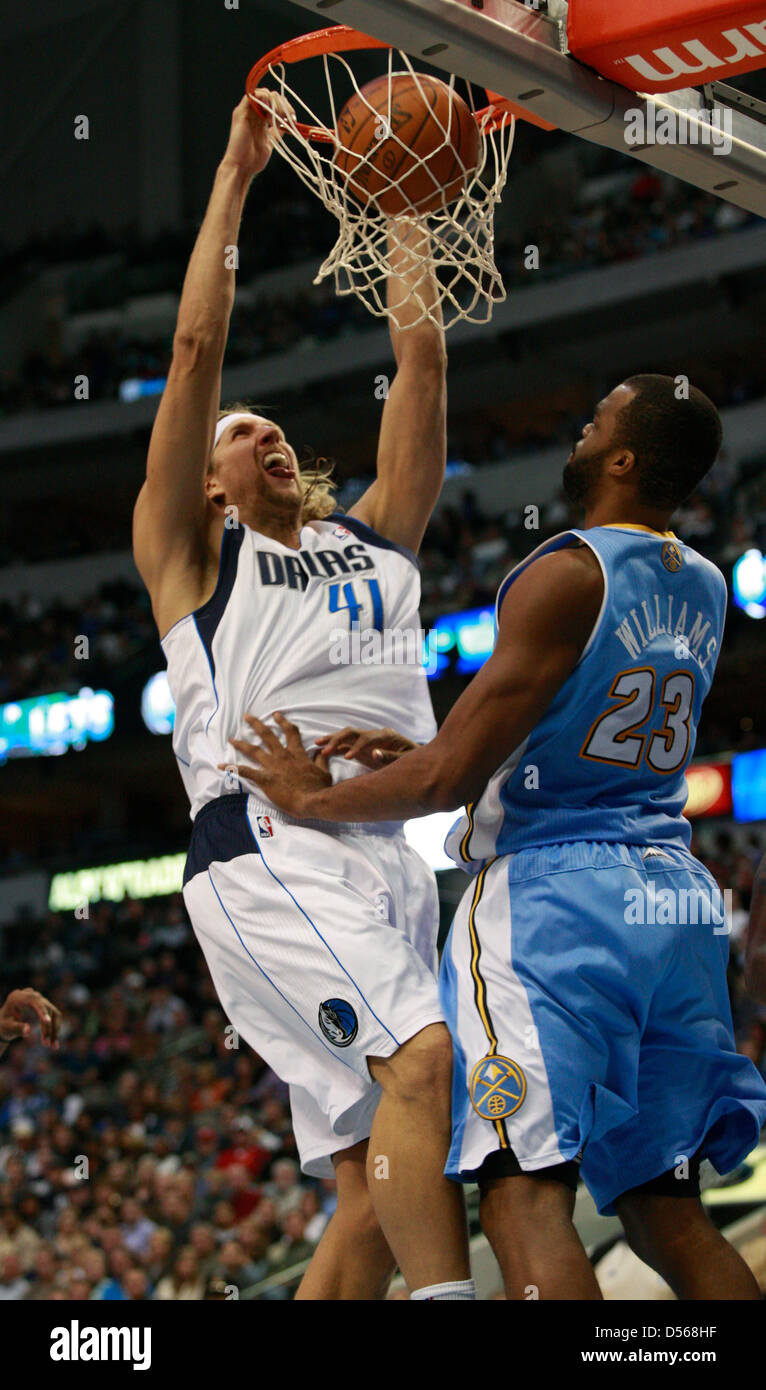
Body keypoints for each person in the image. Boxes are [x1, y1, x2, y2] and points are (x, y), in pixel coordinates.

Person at [229, 373, 766, 1299]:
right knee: (668, 1211)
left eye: (596, 422)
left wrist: (308, 800)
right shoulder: (708, 583)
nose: (580, 430)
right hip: (675, 899)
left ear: (625, 459)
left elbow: (445, 780)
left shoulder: (564, 571)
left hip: (560, 906)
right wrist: (431, 749)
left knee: (522, 1197)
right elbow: (569, 727)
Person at [132, 93, 473, 1300]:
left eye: (272, 426)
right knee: (425, 1065)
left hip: (384, 847)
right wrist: (233, 177)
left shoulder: (378, 536)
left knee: (369, 1194)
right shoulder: (194, 559)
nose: (260, 430)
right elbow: (193, 354)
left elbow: (421, 359)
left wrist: (410, 209)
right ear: (209, 485)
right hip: (267, 843)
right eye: (239, 433)